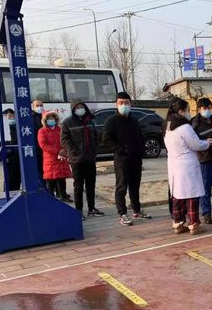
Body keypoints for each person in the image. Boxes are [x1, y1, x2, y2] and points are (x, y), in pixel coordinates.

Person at [164, 97, 211, 235]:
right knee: (191, 195)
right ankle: (193, 224)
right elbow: (196, 144)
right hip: (187, 165)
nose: (189, 113)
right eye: (187, 110)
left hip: (174, 164)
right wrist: (207, 143)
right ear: (180, 111)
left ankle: (178, 223)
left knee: (177, 195)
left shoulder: (167, 125)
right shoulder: (184, 127)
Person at [103, 92, 150, 226]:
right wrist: (121, 150)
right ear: (116, 105)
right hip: (121, 159)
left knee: (135, 186)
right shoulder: (111, 121)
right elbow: (106, 139)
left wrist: (141, 151)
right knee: (121, 187)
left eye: (126, 103)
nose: (124, 105)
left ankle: (136, 210)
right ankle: (122, 213)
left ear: (131, 104)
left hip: (136, 159)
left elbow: (140, 137)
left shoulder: (134, 120)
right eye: (121, 103)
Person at [61, 100, 104, 220]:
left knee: (91, 185)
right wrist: (74, 152)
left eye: (82, 107)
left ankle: (92, 208)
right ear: (73, 109)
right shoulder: (67, 122)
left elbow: (95, 136)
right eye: (77, 107)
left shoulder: (89, 121)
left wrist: (95, 149)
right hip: (77, 160)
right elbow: (64, 140)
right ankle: (78, 211)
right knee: (78, 187)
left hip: (90, 158)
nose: (80, 109)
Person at [38, 111, 72, 201]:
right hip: (50, 159)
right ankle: (50, 198)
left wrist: (64, 150)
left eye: (52, 118)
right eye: (49, 118)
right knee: (50, 179)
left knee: (61, 177)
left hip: (61, 157)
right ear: (45, 120)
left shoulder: (59, 129)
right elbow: (43, 145)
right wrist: (57, 151)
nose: (51, 120)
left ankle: (63, 195)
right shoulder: (42, 131)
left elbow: (65, 140)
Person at [1, 109, 22, 191]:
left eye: (13, 116)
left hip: (18, 157)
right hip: (9, 158)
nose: (12, 118)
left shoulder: (18, 128)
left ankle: (16, 193)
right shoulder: (3, 129)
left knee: (17, 179)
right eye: (10, 117)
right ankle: (7, 194)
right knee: (9, 179)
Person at [32, 98, 45, 185]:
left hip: (47, 150)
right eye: (37, 105)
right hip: (37, 149)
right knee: (39, 170)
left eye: (41, 105)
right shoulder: (31, 118)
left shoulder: (46, 116)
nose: (39, 107)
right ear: (33, 107)